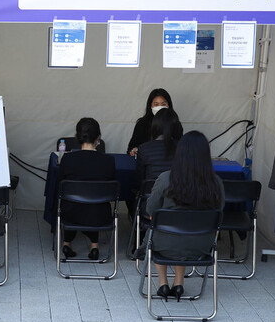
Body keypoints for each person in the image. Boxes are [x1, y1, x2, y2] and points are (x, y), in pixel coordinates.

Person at [146, 131, 224, 300]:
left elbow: (151, 209)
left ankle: (163, 283)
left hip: (165, 244)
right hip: (202, 245)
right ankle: (179, 283)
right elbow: (220, 213)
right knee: (181, 230)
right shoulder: (215, 182)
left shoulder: (166, 178)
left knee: (158, 227)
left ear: (179, 152)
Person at [56, 117, 116, 260]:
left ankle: (66, 243)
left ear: (77, 137)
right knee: (94, 202)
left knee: (73, 203)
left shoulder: (67, 159)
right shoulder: (108, 161)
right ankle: (94, 246)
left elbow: (59, 188)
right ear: (98, 137)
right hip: (100, 215)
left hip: (70, 214)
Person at [135, 108, 182, 191]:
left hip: (149, 198)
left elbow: (139, 181)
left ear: (155, 126)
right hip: (176, 198)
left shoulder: (143, 149)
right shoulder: (183, 147)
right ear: (176, 126)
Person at [127, 88, 182, 156]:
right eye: (156, 104)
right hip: (148, 160)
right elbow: (131, 148)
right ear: (150, 106)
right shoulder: (142, 124)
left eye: (163, 104)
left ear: (168, 105)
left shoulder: (175, 123)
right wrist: (133, 150)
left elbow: (180, 145)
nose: (160, 107)